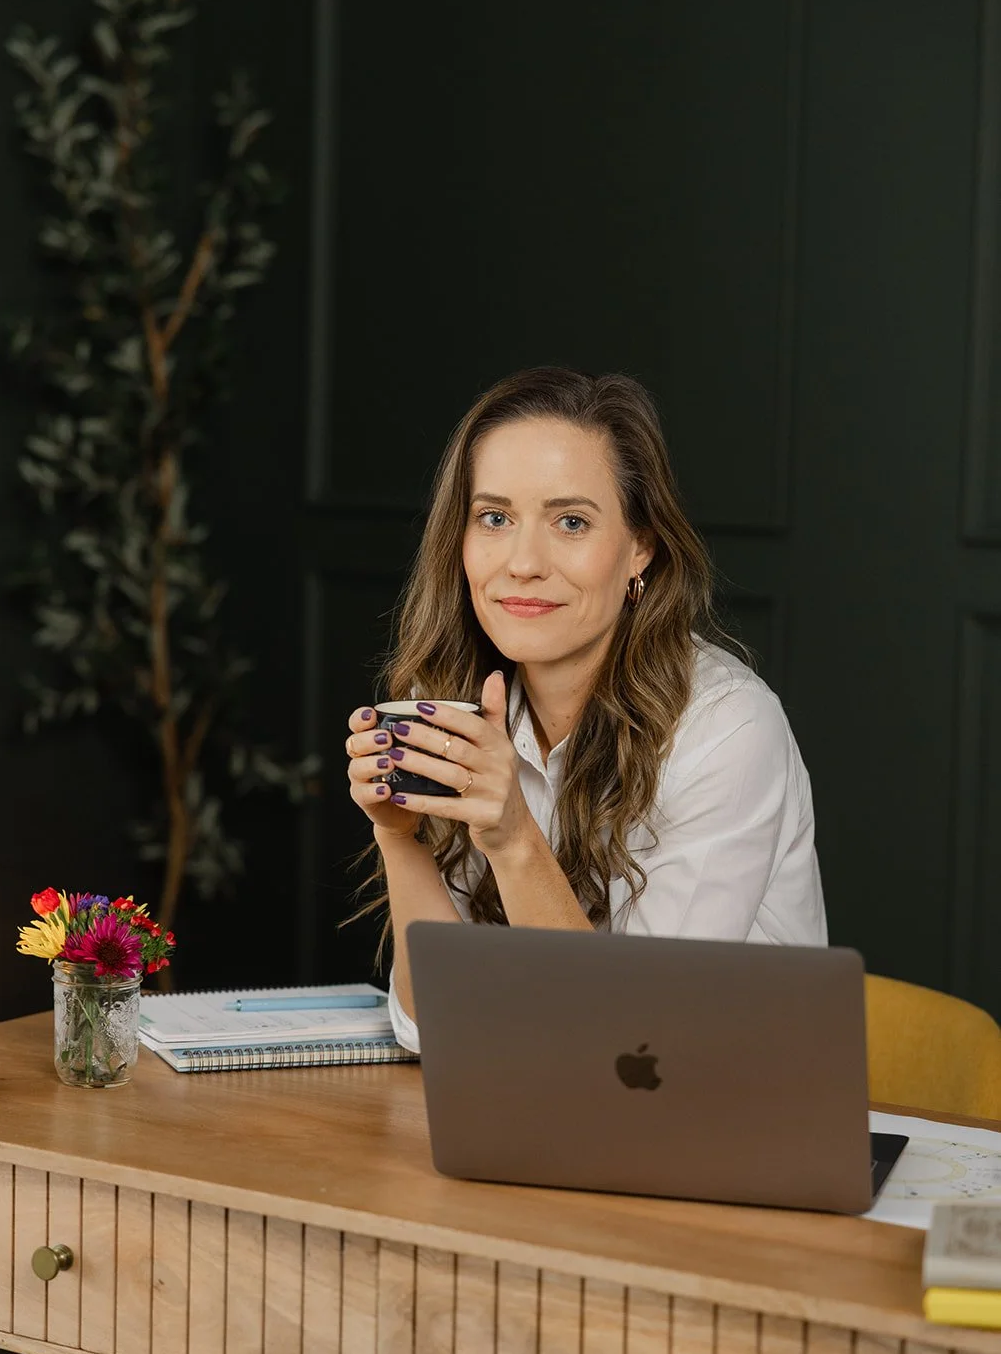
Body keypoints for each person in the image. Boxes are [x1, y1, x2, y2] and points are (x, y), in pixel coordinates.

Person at [344, 368, 826, 1052]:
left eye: (570, 522)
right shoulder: (464, 706)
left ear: (640, 547)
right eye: (494, 518)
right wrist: (397, 836)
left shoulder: (727, 731)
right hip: (547, 1110)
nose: (522, 562)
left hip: (731, 1119)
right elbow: (435, 1027)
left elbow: (635, 1045)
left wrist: (510, 836)